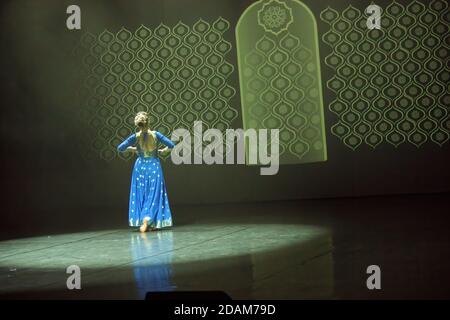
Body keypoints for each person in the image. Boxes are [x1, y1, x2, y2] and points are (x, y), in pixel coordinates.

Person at [117, 111, 175, 232]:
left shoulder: (135, 136)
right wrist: (163, 151)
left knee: (141, 193)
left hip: (140, 167)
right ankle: (148, 220)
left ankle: (147, 221)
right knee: (153, 193)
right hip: (153, 165)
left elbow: (120, 148)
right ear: (148, 121)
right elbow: (171, 145)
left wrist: (132, 149)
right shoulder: (155, 134)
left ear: (138, 124)